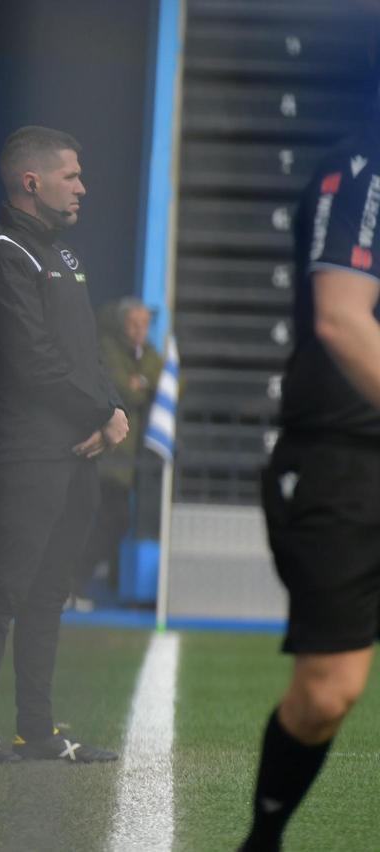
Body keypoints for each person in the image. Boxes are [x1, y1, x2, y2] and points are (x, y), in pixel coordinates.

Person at [0, 126, 127, 765]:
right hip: (30, 449)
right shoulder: (2, 255)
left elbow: (84, 353)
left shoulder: (64, 255)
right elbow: (33, 361)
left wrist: (110, 409)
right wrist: (102, 412)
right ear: (33, 182)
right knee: (7, 584)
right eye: (72, 175)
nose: (82, 186)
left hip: (77, 446)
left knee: (50, 589)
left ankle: (38, 730)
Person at [239, 105, 380, 852]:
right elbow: (342, 320)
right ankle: (263, 840)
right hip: (345, 458)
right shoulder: (358, 174)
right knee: (328, 693)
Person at [73, 297, 162, 609]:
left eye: (145, 324)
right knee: (107, 518)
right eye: (134, 324)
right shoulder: (109, 348)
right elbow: (127, 389)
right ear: (123, 324)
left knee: (113, 519)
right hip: (105, 455)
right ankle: (71, 583)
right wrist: (142, 384)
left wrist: (145, 380)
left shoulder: (147, 354)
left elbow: (165, 376)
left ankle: (80, 583)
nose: (140, 331)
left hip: (127, 460)